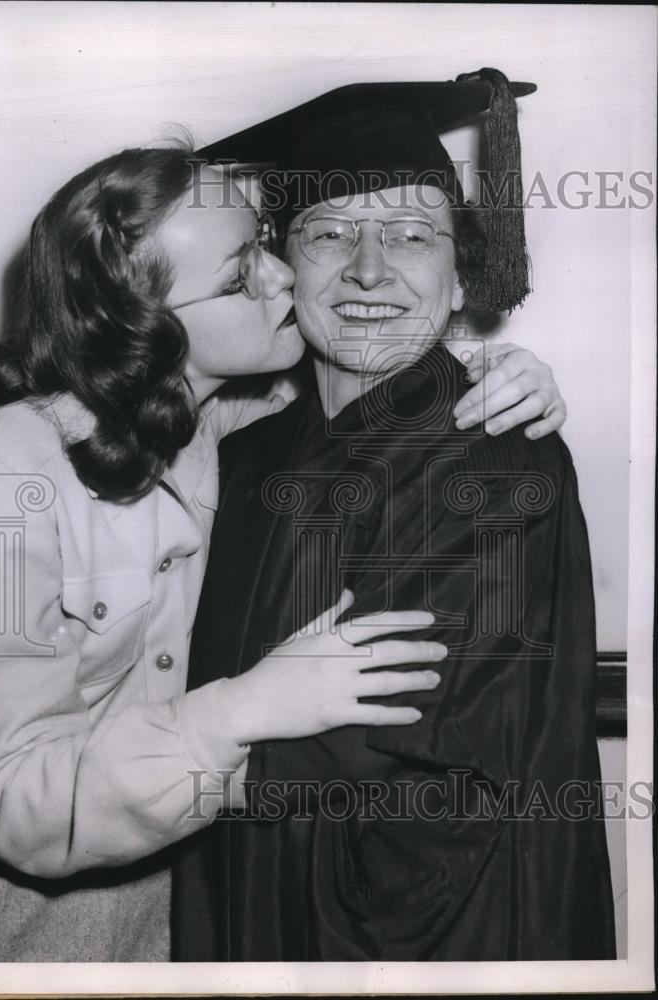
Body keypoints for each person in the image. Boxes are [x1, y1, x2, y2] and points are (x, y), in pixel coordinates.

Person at [173, 69, 616, 961]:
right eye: (329, 233)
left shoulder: (494, 459)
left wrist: (133, 768)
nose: (368, 269)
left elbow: (421, 763)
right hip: (236, 899)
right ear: (279, 269)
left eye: (412, 235)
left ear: (462, 279)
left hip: (417, 934)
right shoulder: (246, 456)